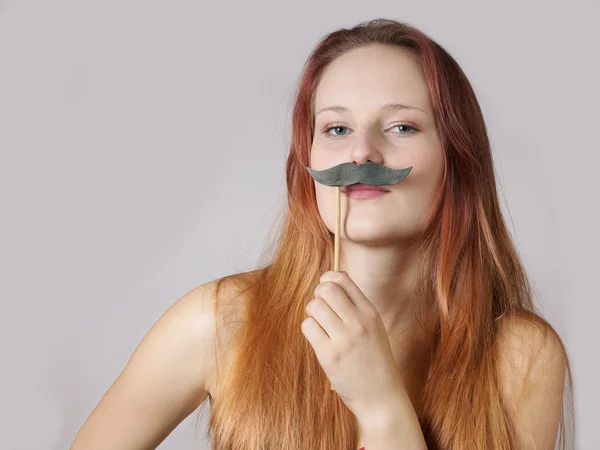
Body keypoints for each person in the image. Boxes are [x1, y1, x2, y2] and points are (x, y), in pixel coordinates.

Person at [70, 18, 573, 450]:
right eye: (336, 129)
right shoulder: (221, 322)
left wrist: (382, 411)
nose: (361, 155)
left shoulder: (521, 357)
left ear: (457, 160)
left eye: (401, 127)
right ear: (306, 162)